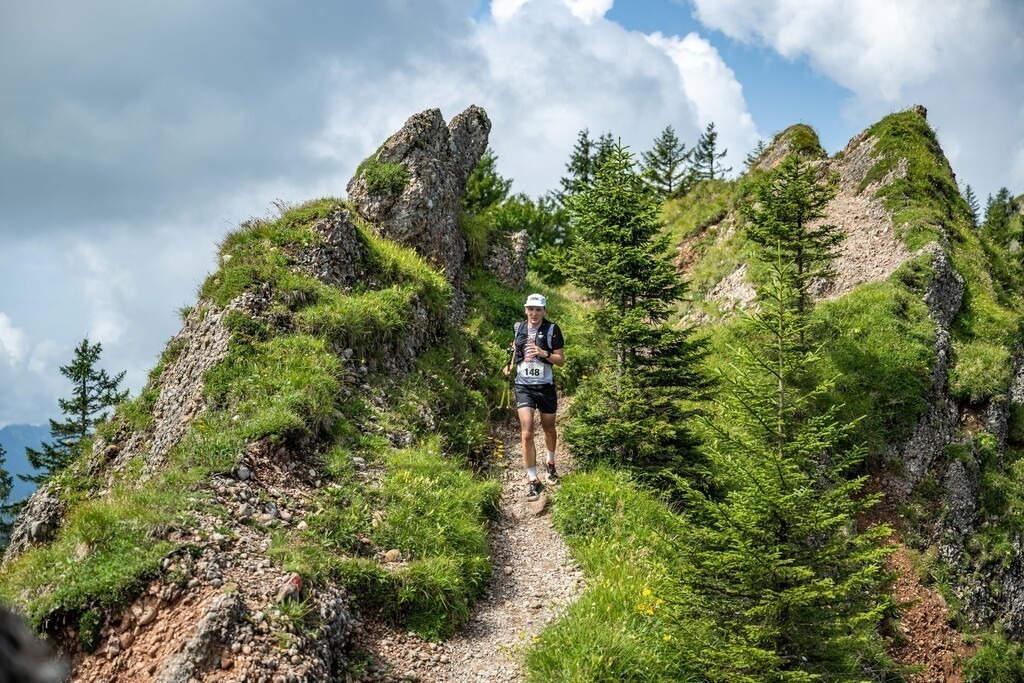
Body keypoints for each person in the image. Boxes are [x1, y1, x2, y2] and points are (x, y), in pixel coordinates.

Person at [504, 293, 564, 500]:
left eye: (538, 309)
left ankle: (550, 462)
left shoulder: (552, 330)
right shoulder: (518, 327)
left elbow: (560, 360)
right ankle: (533, 480)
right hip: (523, 386)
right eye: (531, 309)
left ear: (544, 311)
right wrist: (510, 365)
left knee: (548, 429)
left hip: (545, 386)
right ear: (526, 310)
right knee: (527, 432)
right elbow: (515, 349)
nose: (534, 313)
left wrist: (543, 353)